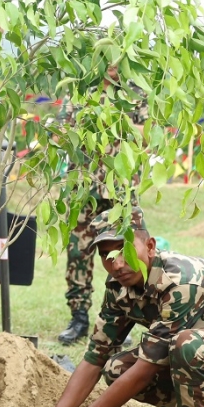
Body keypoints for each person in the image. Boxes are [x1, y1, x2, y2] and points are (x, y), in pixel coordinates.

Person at [27, 206, 204, 407]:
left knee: (187, 346)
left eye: (124, 250)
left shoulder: (180, 282)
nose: (116, 264)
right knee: (116, 369)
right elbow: (95, 357)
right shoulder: (118, 286)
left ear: (150, 246)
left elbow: (145, 372)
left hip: (203, 348)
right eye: (106, 255)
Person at [57, 68, 147, 345]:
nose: (112, 66)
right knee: (78, 252)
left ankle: (123, 319)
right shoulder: (79, 90)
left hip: (121, 189)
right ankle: (79, 318)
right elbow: (61, 134)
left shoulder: (135, 92)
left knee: (125, 253)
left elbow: (144, 137)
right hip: (83, 187)